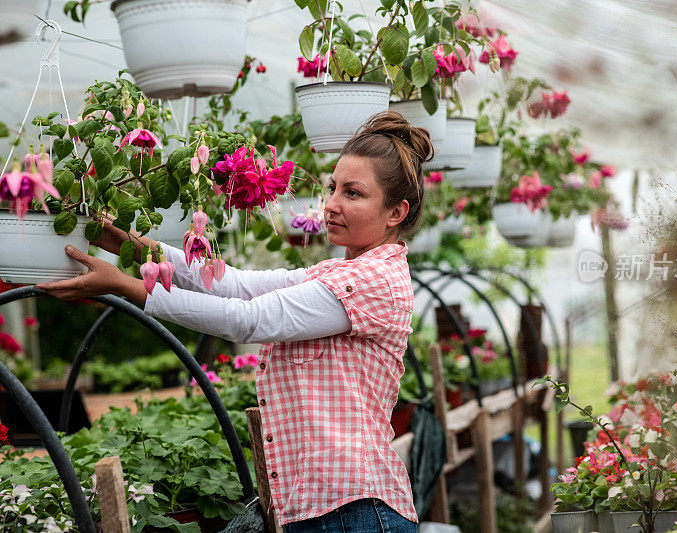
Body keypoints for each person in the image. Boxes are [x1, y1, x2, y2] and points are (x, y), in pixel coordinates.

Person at [36, 111, 433, 532]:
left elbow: (246, 320)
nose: (331, 204)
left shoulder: (375, 280)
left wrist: (123, 285)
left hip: (355, 512)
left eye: (353, 193)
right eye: (332, 188)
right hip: (324, 509)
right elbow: (234, 286)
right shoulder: (337, 273)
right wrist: (121, 242)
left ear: (396, 212)